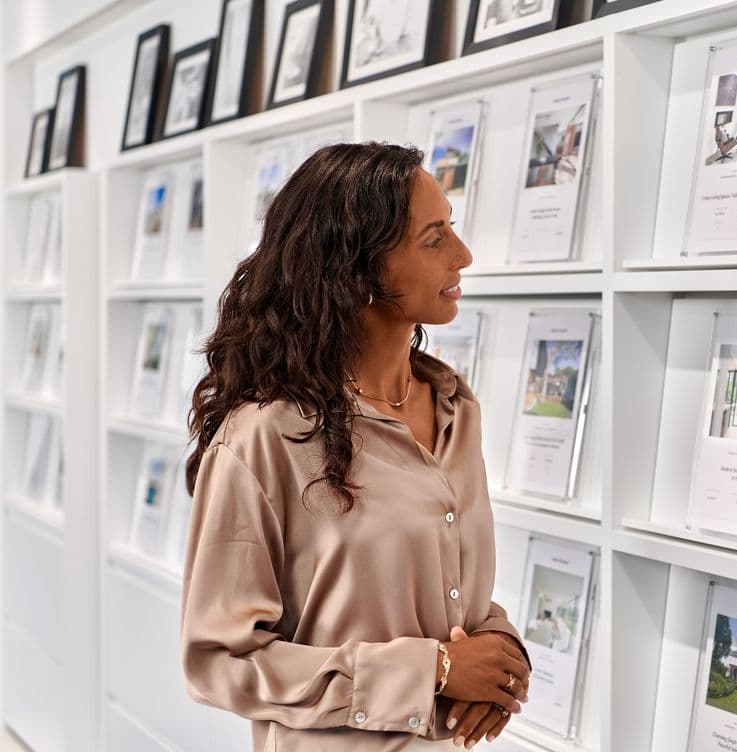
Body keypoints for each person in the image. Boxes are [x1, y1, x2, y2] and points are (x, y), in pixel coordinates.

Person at [180, 141, 531, 750]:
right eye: (434, 238)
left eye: (453, 229)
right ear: (360, 267)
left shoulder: (456, 407)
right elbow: (219, 659)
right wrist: (433, 673)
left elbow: (439, 587)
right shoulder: (265, 435)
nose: (464, 255)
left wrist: (499, 649)